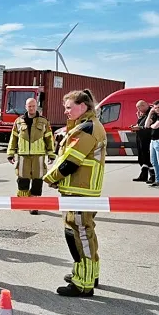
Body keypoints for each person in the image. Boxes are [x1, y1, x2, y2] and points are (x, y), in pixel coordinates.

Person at [43, 89, 106, 297]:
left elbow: (71, 161)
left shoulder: (87, 128)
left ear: (83, 106)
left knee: (79, 235)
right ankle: (88, 273)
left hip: (80, 191)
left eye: (69, 107)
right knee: (84, 233)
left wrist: (50, 178)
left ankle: (83, 282)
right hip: (80, 189)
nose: (65, 111)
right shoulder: (84, 126)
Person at [6, 97, 55, 214]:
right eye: (29, 106)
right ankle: (24, 202)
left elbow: (49, 138)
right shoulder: (18, 121)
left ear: (36, 106)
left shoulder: (44, 121)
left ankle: (34, 205)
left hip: (38, 156)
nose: (31, 108)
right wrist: (10, 153)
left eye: (33, 106)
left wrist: (51, 154)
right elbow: (13, 138)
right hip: (23, 156)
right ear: (26, 107)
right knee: (22, 179)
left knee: (38, 180)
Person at [130, 100, 154, 183]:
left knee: (148, 158)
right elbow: (141, 124)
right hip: (141, 139)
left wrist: (139, 127)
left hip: (147, 139)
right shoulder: (143, 115)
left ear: (143, 105)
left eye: (138, 107)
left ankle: (153, 176)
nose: (138, 110)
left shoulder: (151, 113)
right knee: (142, 158)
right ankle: (143, 175)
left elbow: (148, 126)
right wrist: (135, 127)